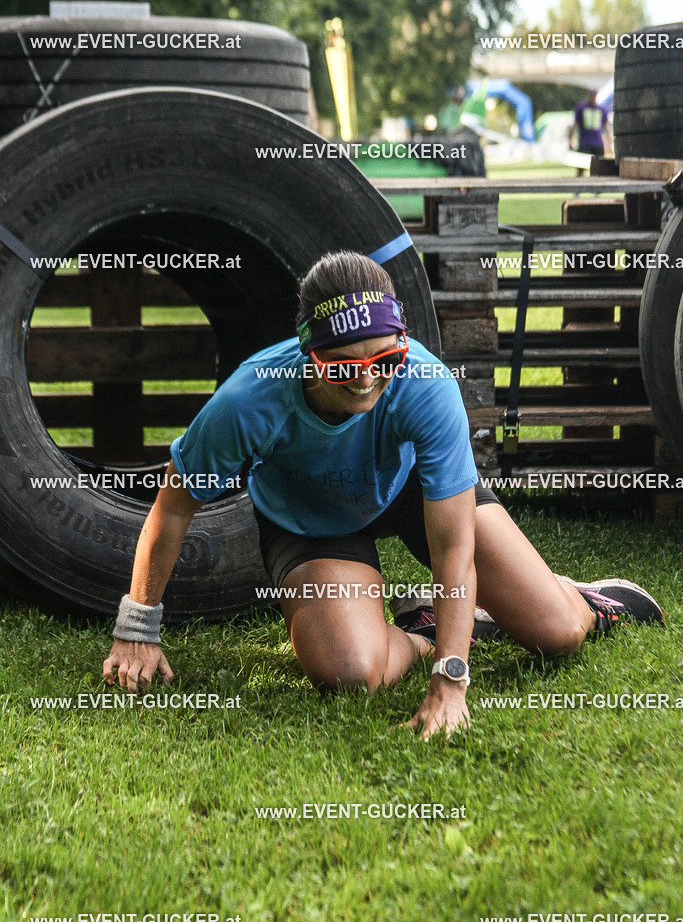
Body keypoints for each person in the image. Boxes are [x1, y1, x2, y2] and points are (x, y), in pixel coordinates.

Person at [103, 251, 663, 738]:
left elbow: (452, 549)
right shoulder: (249, 400)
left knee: (559, 633)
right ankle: (424, 630)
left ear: (402, 344)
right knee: (352, 671)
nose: (367, 378)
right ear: (308, 352)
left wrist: (451, 682)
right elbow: (174, 508)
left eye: (386, 360)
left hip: (411, 492)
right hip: (313, 521)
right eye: (344, 363)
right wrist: (137, 629)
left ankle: (575, 596)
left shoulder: (426, 384)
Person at [572, 89, 611, 157]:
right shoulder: (581, 108)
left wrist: (609, 142)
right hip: (584, 143)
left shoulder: (601, 109)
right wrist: (571, 139)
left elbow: (606, 127)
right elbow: (575, 124)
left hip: (598, 143)